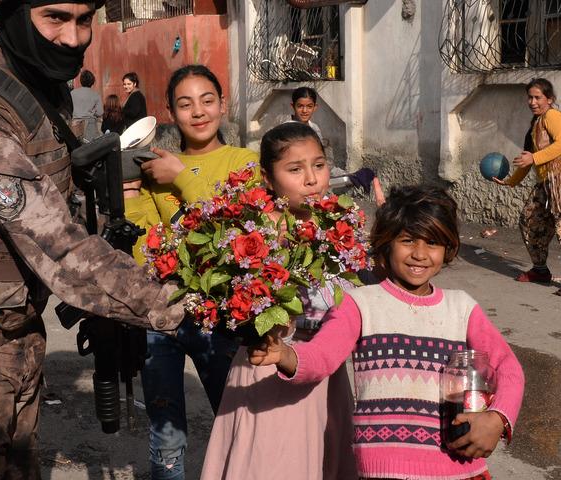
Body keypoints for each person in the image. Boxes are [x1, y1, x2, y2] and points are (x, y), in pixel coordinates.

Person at [0, 2, 185, 479]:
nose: (73, 37)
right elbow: (57, 247)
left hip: (12, 343)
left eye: (84, 20)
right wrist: (184, 303)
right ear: (15, 17)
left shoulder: (35, 91)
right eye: (55, 17)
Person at [250, 185, 525, 480]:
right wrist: (284, 355)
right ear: (386, 243)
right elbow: (322, 357)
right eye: (407, 240)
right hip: (384, 469)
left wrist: (497, 418)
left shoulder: (462, 308)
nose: (420, 254)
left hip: (459, 469)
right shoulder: (360, 304)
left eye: (432, 243)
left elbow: (508, 368)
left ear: (447, 248)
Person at [200, 122, 358, 480]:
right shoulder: (256, 232)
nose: (312, 179)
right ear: (267, 179)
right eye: (295, 169)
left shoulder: (339, 226)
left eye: (319, 165)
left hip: (326, 371)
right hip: (268, 367)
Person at [123, 64, 258, 480]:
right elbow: (144, 251)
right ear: (170, 112)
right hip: (161, 316)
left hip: (222, 318)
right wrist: (131, 192)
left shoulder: (245, 163)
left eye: (207, 100)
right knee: (166, 438)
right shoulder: (155, 170)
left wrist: (182, 178)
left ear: (222, 104)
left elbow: (236, 234)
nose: (198, 112)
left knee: (236, 426)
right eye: (185, 104)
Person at [494, 78, 561, 298]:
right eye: (530, 97)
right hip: (545, 183)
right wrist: (511, 181)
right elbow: (527, 159)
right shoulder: (536, 123)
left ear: (549, 99)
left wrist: (534, 158)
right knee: (529, 220)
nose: (532, 102)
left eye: (537, 97)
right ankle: (540, 270)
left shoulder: (553, 116)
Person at [71, 69, 103, 141]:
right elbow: (100, 112)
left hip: (75, 125)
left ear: (81, 81)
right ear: (92, 81)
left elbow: (69, 108)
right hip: (90, 126)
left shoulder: (72, 93)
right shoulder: (96, 95)